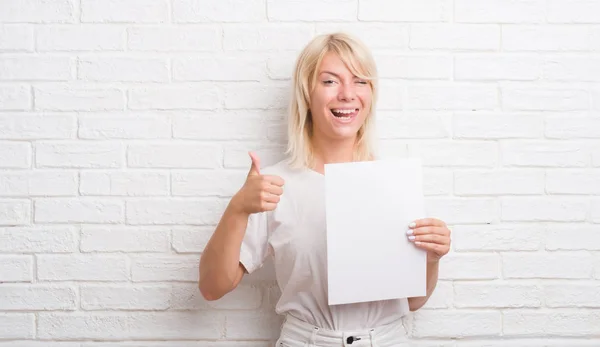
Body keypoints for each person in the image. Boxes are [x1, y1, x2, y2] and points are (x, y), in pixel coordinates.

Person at [199, 32, 451, 347]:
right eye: (330, 81)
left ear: (371, 94)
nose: (347, 94)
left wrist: (432, 258)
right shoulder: (275, 185)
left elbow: (413, 301)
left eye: (361, 81)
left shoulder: (394, 183)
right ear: (306, 93)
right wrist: (237, 208)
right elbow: (212, 287)